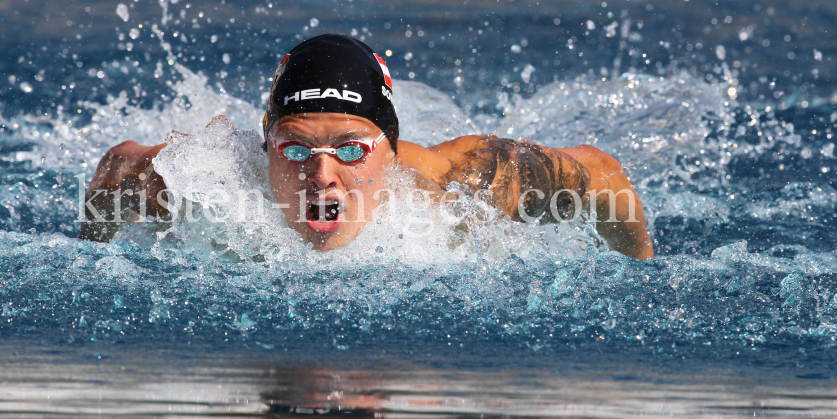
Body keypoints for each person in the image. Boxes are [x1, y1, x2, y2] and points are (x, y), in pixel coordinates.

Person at [78, 34, 654, 259]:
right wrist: (92, 261)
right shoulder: (206, 183)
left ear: (390, 148)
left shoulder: (458, 185)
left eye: (351, 150)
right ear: (267, 142)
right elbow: (115, 169)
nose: (322, 176)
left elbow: (600, 173)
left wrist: (641, 273)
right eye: (296, 150)